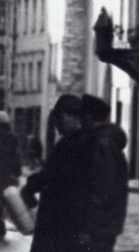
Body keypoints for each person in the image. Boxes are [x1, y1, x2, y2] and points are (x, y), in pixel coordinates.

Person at [22, 94, 88, 252]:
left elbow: (58, 177)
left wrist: (32, 184)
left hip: (64, 221)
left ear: (74, 117)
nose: (57, 123)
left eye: (60, 117)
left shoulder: (79, 145)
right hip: (58, 220)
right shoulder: (68, 142)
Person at [74, 94, 129, 252]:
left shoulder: (101, 145)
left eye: (82, 118)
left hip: (98, 228)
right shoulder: (106, 142)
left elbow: (101, 191)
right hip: (104, 226)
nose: (80, 122)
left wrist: (87, 227)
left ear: (89, 118)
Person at [0, 112, 21, 242]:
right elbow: (16, 156)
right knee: (4, 200)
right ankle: (1, 223)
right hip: (6, 175)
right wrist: (17, 173)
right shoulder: (12, 137)